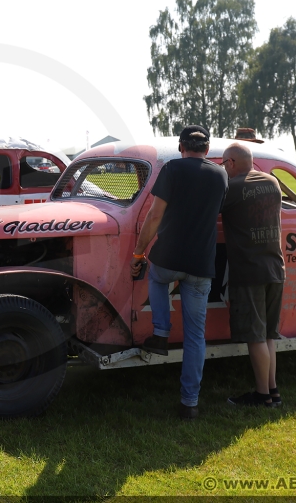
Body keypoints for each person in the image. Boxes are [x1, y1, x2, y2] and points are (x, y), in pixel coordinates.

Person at [129, 126, 227, 420]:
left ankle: (160, 331)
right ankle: (190, 403)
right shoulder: (221, 174)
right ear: (207, 149)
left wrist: (138, 252)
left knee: (156, 278)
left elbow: (155, 214)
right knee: (195, 337)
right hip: (201, 263)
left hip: (168, 257)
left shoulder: (172, 169)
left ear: (181, 147)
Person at [219, 142, 286, 408]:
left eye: (224, 164)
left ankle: (261, 396)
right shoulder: (272, 183)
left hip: (249, 269)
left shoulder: (232, 188)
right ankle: (272, 391)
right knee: (269, 335)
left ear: (231, 163)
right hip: (275, 267)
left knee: (255, 336)